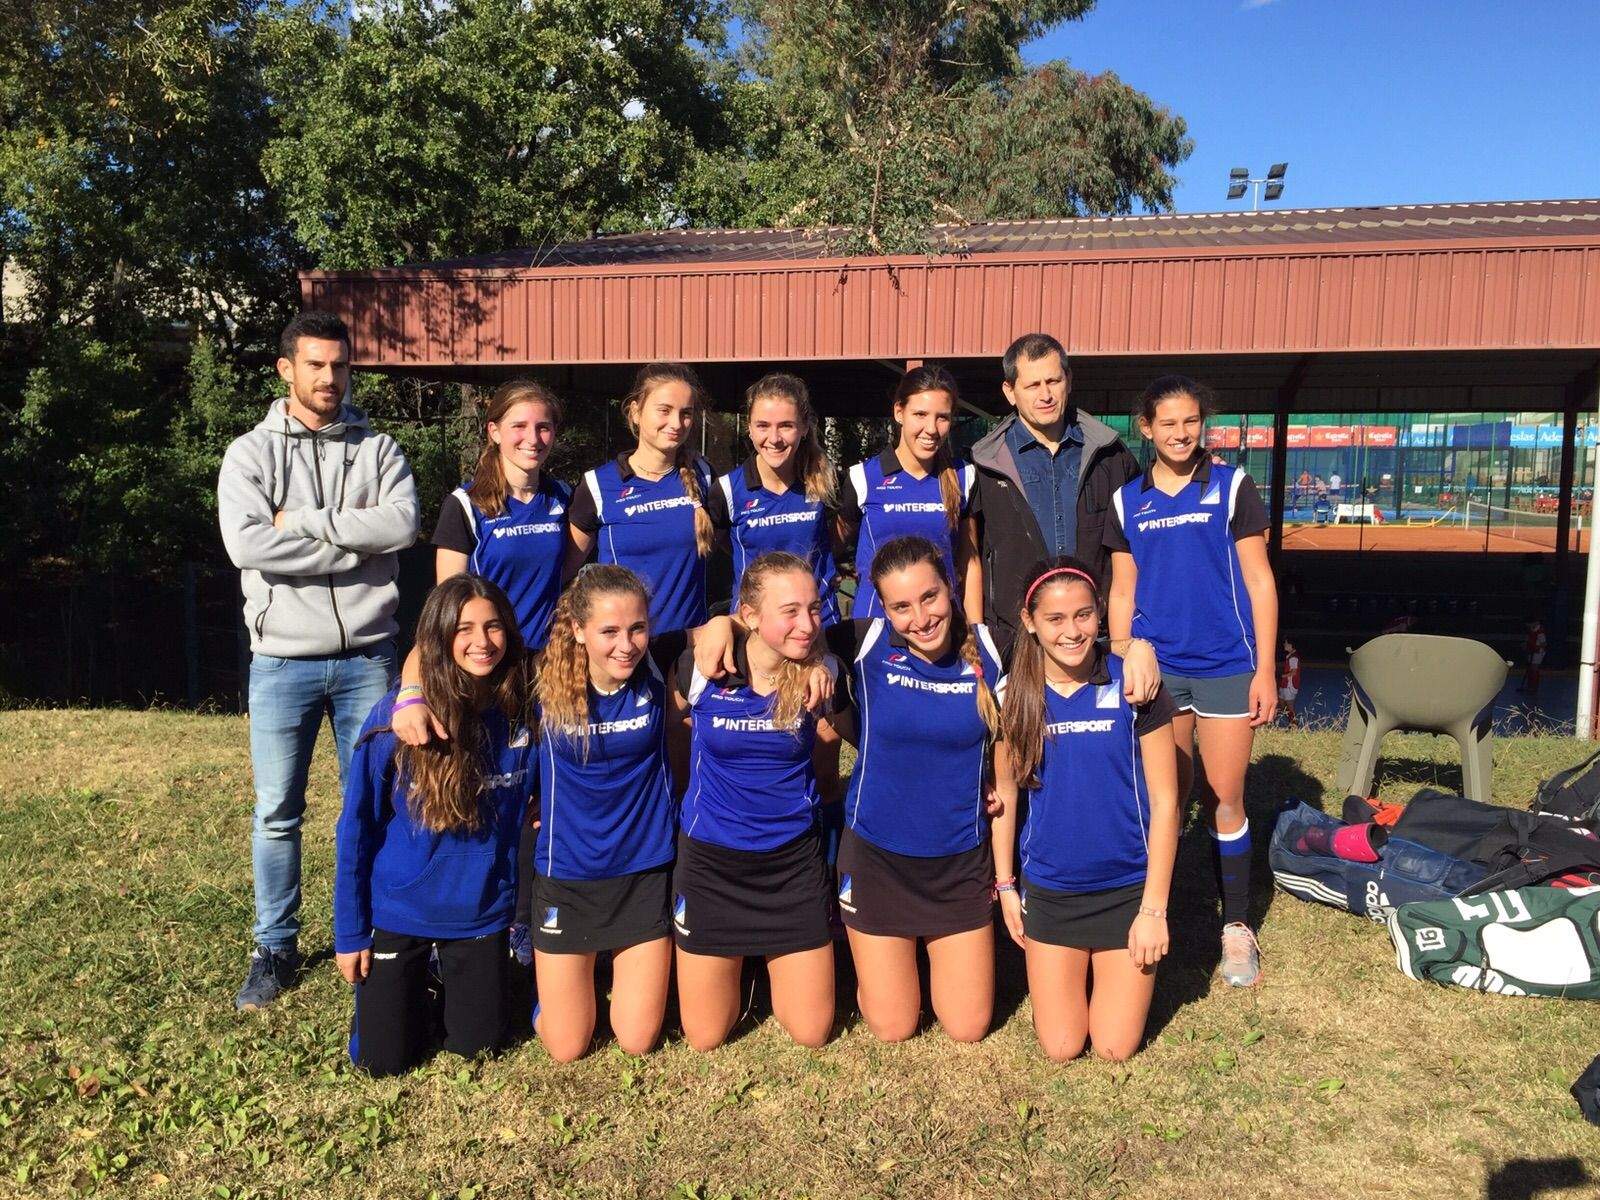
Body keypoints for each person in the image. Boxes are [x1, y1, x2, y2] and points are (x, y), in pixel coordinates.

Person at [217, 310, 419, 1011]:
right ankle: (274, 947)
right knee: (277, 811)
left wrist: (299, 523)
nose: (329, 378)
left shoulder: (379, 448)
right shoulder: (249, 454)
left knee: (381, 801)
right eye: (315, 365)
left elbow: (400, 525)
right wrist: (354, 541)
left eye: (339, 365)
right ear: (286, 370)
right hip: (281, 661)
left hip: (368, 654)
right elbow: (247, 547)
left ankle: (384, 926)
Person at [1105, 375, 1279, 988]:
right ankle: (1162, 913)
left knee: (1224, 796)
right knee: (1166, 801)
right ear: (1146, 429)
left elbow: (1259, 580)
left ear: (1203, 424)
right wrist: (1124, 652)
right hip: (1161, 671)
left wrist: (1263, 669)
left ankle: (1236, 927)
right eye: (1167, 424)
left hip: (1228, 666)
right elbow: (1123, 589)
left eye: (1191, 422)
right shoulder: (1128, 501)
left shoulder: (1233, 487)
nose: (1181, 434)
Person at [390, 378, 569, 964]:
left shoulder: (564, 499)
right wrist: (416, 685)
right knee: (467, 789)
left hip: (537, 676)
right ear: (493, 432)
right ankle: (454, 918)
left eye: (542, 427)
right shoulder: (465, 506)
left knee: (532, 801)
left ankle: (518, 921)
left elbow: (566, 587)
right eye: (518, 426)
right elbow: (447, 610)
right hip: (476, 670)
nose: (532, 438)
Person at [332, 575, 531, 1076]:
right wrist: (351, 933)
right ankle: (404, 990)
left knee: (479, 1046)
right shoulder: (393, 721)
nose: (482, 642)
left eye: (493, 626)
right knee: (381, 1062)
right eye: (464, 629)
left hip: (481, 913)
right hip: (400, 910)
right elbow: (356, 830)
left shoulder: (524, 709)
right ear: (438, 638)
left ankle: (448, 977)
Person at [990, 559, 1179, 1062]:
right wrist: (1006, 885)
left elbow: (1166, 802)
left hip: (1127, 891)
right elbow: (1005, 794)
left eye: (1084, 615)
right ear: (1029, 622)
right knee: (1061, 1045)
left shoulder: (1136, 684)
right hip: (1052, 894)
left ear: (1099, 615)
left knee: (1115, 1047)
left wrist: (1153, 910)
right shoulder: (1014, 694)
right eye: (1055, 619)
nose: (1072, 631)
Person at [823, 536, 1003, 1043]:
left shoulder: (990, 648)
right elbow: (780, 633)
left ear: (950, 587)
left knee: (968, 1027)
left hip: (958, 862)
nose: (920, 617)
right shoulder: (864, 642)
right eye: (901, 606)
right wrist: (721, 625)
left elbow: (1066, 658)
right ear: (883, 607)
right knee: (894, 1026)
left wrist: (1133, 649)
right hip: (877, 858)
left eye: (930, 597)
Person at [669, 553, 843, 1050]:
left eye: (813, 609)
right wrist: (717, 621)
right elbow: (669, 730)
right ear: (749, 615)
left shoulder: (820, 673)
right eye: (789, 611)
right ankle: (737, 968)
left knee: (812, 1032)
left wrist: (825, 661)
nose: (806, 624)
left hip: (791, 865)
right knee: (705, 1036)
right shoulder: (702, 667)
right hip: (712, 864)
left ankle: (770, 961)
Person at [530, 566, 684, 1061]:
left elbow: (729, 629)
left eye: (637, 628)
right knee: (567, 1046)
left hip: (642, 873)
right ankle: (554, 992)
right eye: (609, 631)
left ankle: (599, 974)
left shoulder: (660, 664)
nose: (627, 644)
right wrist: (410, 695)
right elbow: (435, 650)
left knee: (637, 1041)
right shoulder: (539, 681)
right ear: (577, 630)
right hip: (567, 875)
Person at [968, 332, 1160, 703]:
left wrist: (1196, 466)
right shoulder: (982, 466)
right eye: (1033, 384)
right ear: (1010, 391)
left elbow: (1147, 531)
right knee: (1018, 753)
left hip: (1094, 638)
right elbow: (970, 557)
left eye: (1053, 381)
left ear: (1068, 381)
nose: (1045, 394)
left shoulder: (1112, 456)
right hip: (1015, 641)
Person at [567, 362, 715, 635]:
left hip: (691, 651)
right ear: (635, 411)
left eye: (686, 413)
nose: (676, 423)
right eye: (664, 410)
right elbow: (563, 572)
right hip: (626, 648)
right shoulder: (598, 486)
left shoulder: (703, 475)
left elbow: (742, 543)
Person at [837, 365, 981, 622]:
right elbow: (831, 549)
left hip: (939, 627)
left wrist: (976, 630)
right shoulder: (863, 478)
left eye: (942, 417)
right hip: (876, 626)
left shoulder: (964, 476)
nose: (931, 428)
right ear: (899, 412)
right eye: (920, 414)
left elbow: (969, 563)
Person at [706, 373, 842, 625]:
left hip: (817, 625)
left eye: (786, 425)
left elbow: (837, 538)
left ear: (803, 427)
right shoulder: (725, 491)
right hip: (756, 628)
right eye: (763, 425)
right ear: (749, 427)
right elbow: (726, 545)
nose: (774, 438)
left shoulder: (827, 482)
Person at [1277, 638, 1301, 728]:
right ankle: (1290, 722)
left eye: (1286, 643)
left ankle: (1294, 725)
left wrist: (1282, 676)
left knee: (1290, 707)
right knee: (1282, 704)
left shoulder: (1293, 658)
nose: (1284, 645)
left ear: (1291, 645)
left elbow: (1293, 672)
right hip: (1284, 685)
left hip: (1289, 686)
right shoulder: (1290, 656)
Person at [1521, 618, 1547, 697]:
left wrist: (1536, 647)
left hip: (1538, 653)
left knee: (1534, 669)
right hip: (1531, 652)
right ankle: (1530, 685)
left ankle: (1534, 686)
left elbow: (1544, 644)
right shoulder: (1531, 631)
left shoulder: (1540, 633)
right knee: (1530, 669)